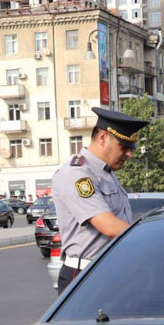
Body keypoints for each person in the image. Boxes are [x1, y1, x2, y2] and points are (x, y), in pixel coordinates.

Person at [52, 107, 148, 294]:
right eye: (124, 147)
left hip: (107, 271)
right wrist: (153, 239)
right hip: (85, 276)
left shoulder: (105, 173)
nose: (130, 154)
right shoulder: (77, 174)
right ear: (103, 137)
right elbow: (110, 226)